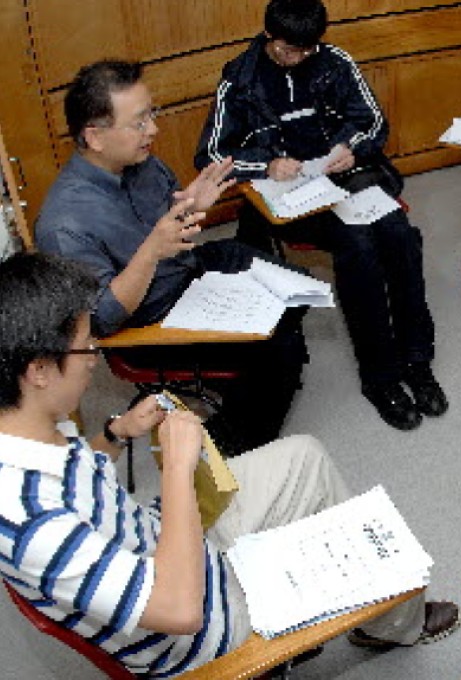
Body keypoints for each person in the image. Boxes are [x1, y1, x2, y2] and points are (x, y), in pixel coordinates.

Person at [0, 252, 459, 677]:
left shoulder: (31, 424)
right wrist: (178, 469)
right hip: (204, 625)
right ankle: (359, 624)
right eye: (86, 348)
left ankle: (387, 623)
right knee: (352, 544)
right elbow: (181, 609)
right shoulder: (35, 526)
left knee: (304, 456)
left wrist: (118, 433)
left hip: (168, 540)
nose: (95, 362)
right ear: (39, 370)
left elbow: (84, 473)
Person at [34, 60, 307, 457]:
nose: (154, 130)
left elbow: (176, 230)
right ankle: (233, 440)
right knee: (277, 334)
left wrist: (192, 208)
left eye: (151, 114)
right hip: (152, 321)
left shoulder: (143, 163)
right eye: (140, 122)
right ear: (94, 136)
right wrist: (152, 249)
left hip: (188, 272)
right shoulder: (64, 222)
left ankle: (254, 377)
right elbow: (101, 321)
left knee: (296, 288)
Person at [195, 0, 445, 432]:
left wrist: (351, 147)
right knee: (359, 246)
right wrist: (266, 165)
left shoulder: (334, 60)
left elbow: (372, 121)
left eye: (311, 49)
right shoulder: (239, 78)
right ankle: (380, 376)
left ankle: (417, 361)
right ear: (270, 38)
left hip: (344, 177)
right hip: (289, 193)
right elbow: (212, 154)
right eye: (293, 50)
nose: (303, 57)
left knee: (400, 235)